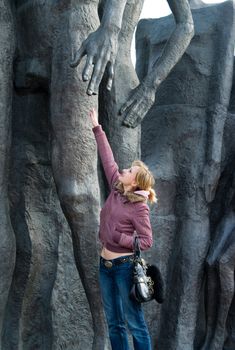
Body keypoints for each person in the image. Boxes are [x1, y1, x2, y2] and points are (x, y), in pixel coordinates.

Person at [89, 108, 156, 350]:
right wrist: (97, 127)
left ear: (136, 182)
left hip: (124, 268)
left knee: (135, 324)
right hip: (104, 266)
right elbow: (108, 159)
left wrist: (118, 236)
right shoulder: (117, 187)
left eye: (130, 171)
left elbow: (147, 241)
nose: (125, 170)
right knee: (114, 323)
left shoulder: (140, 208)